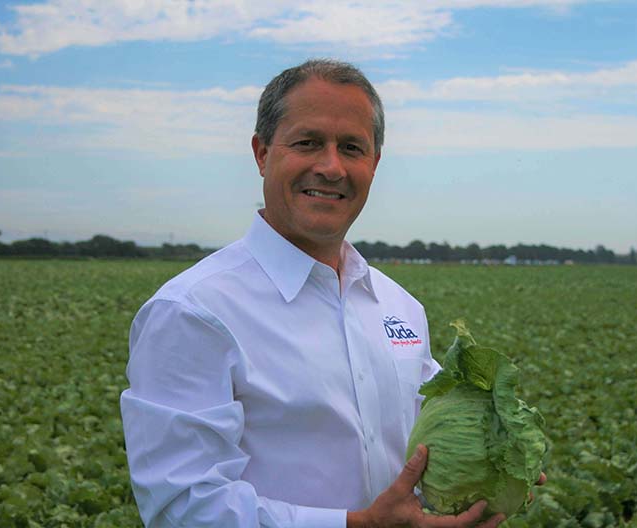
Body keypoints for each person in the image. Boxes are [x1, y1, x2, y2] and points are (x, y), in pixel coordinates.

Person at [120, 59, 533, 528]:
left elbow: (435, 433)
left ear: (374, 163)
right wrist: (358, 525)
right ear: (261, 153)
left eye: (352, 148)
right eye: (308, 143)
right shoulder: (193, 312)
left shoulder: (398, 307)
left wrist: (501, 464)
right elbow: (183, 505)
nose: (331, 166)